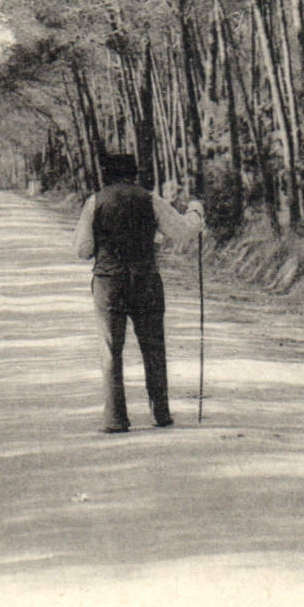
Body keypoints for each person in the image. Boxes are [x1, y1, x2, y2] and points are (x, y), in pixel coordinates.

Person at [73, 153, 204, 433]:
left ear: (106, 174)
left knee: (111, 352)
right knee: (153, 348)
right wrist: (196, 211)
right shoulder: (150, 199)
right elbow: (182, 233)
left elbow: (83, 250)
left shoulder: (95, 202)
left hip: (109, 282)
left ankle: (115, 418)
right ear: (134, 174)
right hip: (145, 280)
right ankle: (161, 413)